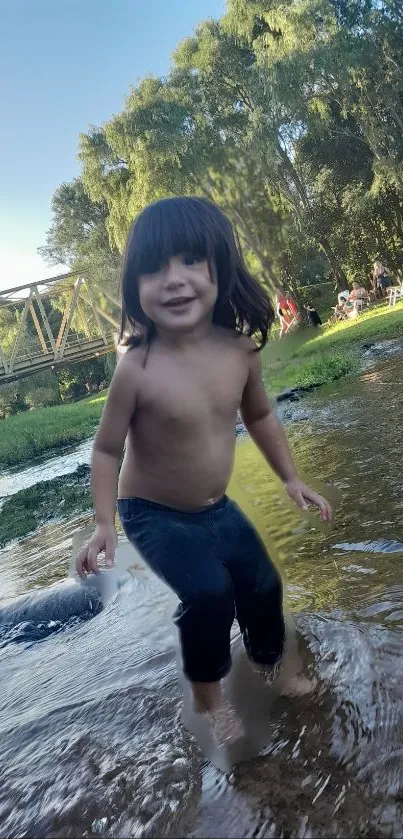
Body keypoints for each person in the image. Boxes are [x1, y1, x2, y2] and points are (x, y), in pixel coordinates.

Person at [76, 196, 332, 744]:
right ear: (134, 287)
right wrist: (104, 523)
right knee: (210, 591)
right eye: (155, 267)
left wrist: (290, 476)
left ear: (221, 266)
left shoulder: (239, 352)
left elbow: (259, 415)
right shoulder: (137, 367)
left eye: (192, 260)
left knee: (262, 582)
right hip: (151, 512)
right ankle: (209, 698)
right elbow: (105, 451)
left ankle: (274, 665)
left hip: (216, 508)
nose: (174, 280)